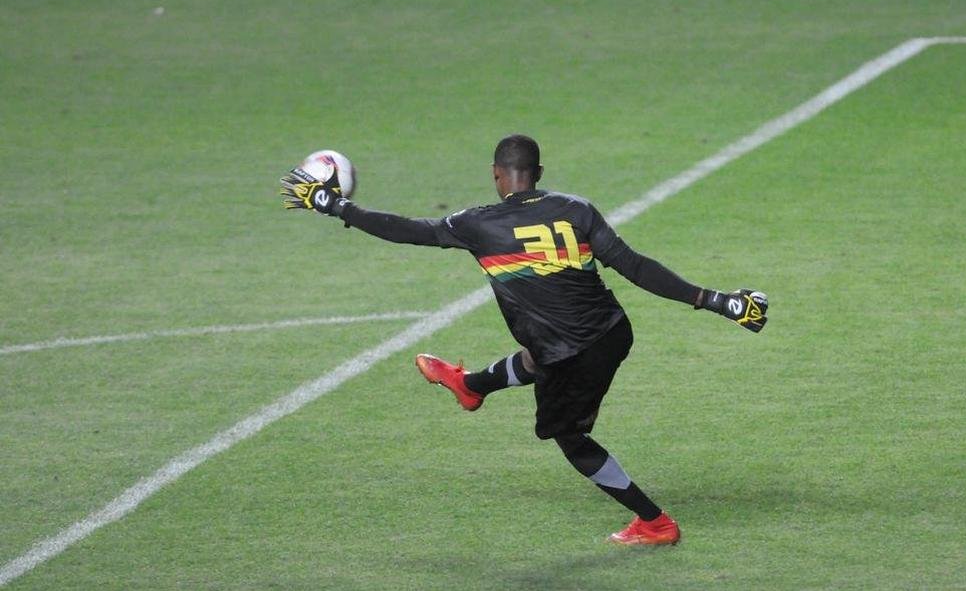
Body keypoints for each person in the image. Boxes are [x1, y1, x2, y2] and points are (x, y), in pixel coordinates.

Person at [281, 135, 767, 545]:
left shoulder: (477, 224)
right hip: (615, 332)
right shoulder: (576, 209)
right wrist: (718, 300)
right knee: (539, 355)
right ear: (538, 172)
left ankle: (654, 522)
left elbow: (406, 231)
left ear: (497, 174)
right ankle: (471, 386)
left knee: (569, 436)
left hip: (574, 353)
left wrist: (336, 204)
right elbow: (636, 266)